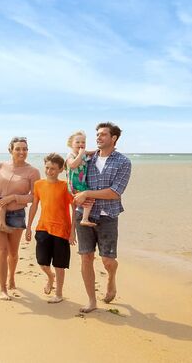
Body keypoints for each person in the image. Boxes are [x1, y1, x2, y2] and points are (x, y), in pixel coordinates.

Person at [73, 122, 131, 313]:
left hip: (108, 216)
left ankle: (111, 279)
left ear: (113, 138)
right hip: (84, 214)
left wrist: (88, 193)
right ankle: (91, 300)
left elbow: (115, 192)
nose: (98, 137)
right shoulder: (87, 159)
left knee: (107, 260)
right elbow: (72, 174)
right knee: (86, 257)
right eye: (97, 134)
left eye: (103, 135)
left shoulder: (123, 162)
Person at [0, 137, 40, 301]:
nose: (22, 152)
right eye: (18, 149)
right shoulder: (1, 166)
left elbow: (34, 197)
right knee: (2, 250)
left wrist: (14, 197)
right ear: (11, 150)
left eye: (25, 149)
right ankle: (3, 289)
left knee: (13, 253)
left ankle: (12, 277)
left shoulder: (33, 172)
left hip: (17, 215)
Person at [25, 153, 76, 304]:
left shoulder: (66, 186)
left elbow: (75, 210)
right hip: (43, 227)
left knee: (59, 265)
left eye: (53, 169)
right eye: (47, 168)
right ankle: (50, 277)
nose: (49, 171)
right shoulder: (38, 184)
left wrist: (73, 232)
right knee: (42, 262)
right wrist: (28, 227)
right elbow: (34, 206)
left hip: (61, 230)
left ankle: (59, 293)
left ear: (61, 169)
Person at [65, 131, 96, 227]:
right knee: (90, 197)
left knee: (89, 199)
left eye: (83, 142)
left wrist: (101, 150)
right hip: (74, 184)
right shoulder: (71, 155)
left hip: (81, 183)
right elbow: (73, 165)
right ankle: (84, 219)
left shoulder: (82, 152)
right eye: (77, 142)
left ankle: (83, 216)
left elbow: (92, 152)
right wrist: (81, 154)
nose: (81, 144)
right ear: (71, 144)